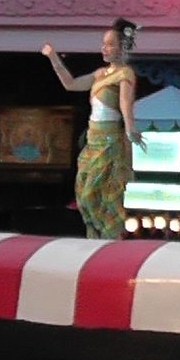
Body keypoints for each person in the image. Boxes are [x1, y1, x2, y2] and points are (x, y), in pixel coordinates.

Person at [42, 18, 145, 240]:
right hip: (92, 142)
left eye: (110, 44)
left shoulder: (125, 73)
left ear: (122, 47)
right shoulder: (99, 74)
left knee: (99, 195)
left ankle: (108, 239)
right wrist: (53, 57)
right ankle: (95, 238)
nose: (104, 48)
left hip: (109, 143)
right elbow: (70, 84)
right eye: (103, 44)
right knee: (83, 194)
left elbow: (125, 104)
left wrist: (130, 130)